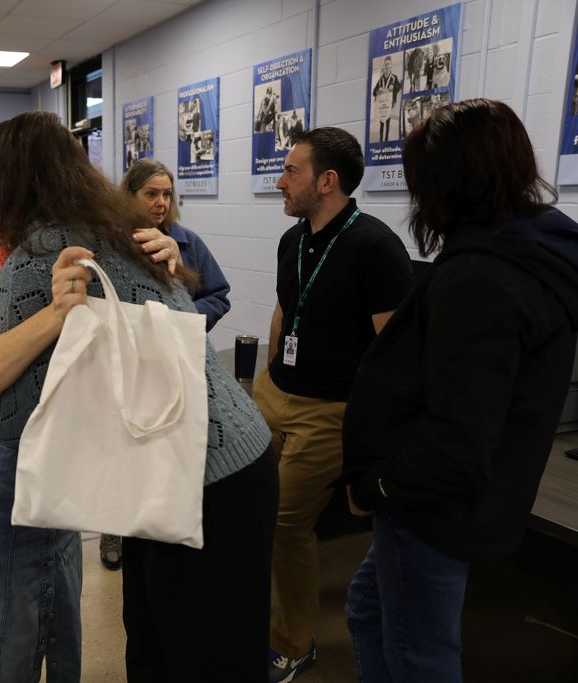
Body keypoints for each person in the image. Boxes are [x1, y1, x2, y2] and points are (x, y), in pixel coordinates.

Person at [0, 111, 278, 683]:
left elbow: (10, 420)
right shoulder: (127, 230)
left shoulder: (38, 257)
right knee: (180, 643)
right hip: (221, 461)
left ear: (9, 183)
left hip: (192, 473)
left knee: (180, 649)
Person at [342, 98, 578, 682]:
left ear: (448, 182)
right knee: (369, 611)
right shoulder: (534, 248)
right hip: (449, 503)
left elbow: (457, 438)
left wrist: (372, 486)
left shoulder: (481, 278)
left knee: (420, 658)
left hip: (428, 510)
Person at [255, 127, 413, 683]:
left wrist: (371, 441)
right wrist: (271, 375)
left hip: (330, 411)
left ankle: (292, 642)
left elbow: (392, 353)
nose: (280, 181)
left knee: (284, 523)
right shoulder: (293, 240)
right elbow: (283, 310)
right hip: (275, 392)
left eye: (291, 171)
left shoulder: (375, 246)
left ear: (328, 181)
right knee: (247, 504)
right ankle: (266, 614)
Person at [97, 157, 233, 571]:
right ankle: (114, 529)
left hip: (176, 360)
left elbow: (219, 294)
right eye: (151, 194)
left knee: (168, 444)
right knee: (122, 447)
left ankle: (168, 520)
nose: (160, 203)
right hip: (128, 363)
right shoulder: (110, 243)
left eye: (167, 194)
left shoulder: (188, 242)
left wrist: (184, 321)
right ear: (130, 196)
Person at [373, 56, 401, 142]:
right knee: (381, 123)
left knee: (388, 122)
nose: (387, 66)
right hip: (381, 104)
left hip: (389, 103)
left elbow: (399, 87)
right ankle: (381, 139)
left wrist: (394, 87)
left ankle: (386, 139)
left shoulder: (394, 77)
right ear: (384, 66)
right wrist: (378, 90)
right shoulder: (381, 79)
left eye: (388, 64)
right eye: (386, 64)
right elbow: (374, 91)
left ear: (391, 65)